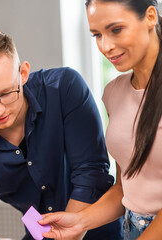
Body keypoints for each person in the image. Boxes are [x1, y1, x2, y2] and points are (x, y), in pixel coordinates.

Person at [0, 28, 122, 240]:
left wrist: (71, 233)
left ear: (23, 74)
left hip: (101, 233)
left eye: (6, 93)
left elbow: (92, 174)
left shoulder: (65, 89)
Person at [40, 0, 162, 239]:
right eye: (97, 35)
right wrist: (79, 221)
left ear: (150, 17)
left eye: (116, 30)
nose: (105, 46)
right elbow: (124, 188)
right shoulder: (114, 93)